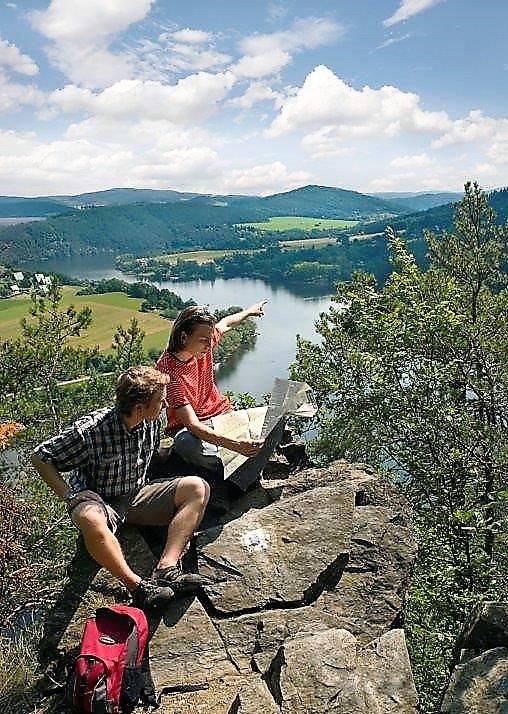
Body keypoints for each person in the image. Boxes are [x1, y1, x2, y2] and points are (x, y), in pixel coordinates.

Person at [31, 365, 210, 611]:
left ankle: (167, 569)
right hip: (101, 502)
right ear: (139, 408)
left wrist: (170, 453)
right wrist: (69, 495)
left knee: (197, 488)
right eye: (160, 401)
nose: (165, 405)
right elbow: (41, 456)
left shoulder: (150, 421)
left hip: (136, 494)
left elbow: (145, 453)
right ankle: (139, 588)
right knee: (89, 518)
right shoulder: (91, 431)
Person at [156, 302, 267, 476]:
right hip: (192, 429)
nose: (209, 345)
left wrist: (249, 312)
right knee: (184, 444)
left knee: (277, 415)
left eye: (210, 339)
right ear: (183, 337)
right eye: (204, 341)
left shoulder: (202, 344)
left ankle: (236, 467)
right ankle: (230, 469)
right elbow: (193, 424)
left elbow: (226, 324)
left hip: (222, 413)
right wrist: (235, 445)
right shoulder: (168, 373)